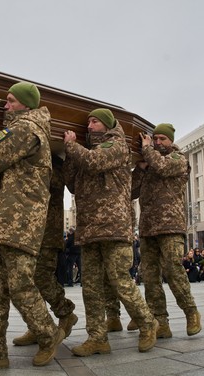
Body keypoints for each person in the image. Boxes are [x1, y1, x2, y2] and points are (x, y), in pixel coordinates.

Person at [0, 81, 64, 372]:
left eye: (10, 101)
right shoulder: (13, 129)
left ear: (26, 105)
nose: (5, 106)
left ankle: (49, 333)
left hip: (18, 222)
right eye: (5, 101)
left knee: (20, 285)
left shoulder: (26, 128)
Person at [63, 107, 158, 357]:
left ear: (107, 124)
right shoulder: (85, 151)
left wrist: (72, 147)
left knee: (120, 280)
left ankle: (148, 323)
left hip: (113, 227)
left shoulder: (116, 145)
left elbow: (95, 163)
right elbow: (72, 184)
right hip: (89, 227)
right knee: (91, 287)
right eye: (88, 121)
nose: (90, 125)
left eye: (95, 121)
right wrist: (71, 157)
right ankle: (97, 337)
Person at [130, 123, 201, 338]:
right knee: (150, 277)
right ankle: (161, 321)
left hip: (170, 226)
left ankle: (191, 312)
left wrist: (147, 150)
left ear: (170, 140)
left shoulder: (178, 159)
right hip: (148, 227)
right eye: (155, 139)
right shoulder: (149, 161)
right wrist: (140, 170)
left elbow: (162, 167)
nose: (158, 142)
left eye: (162, 139)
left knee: (173, 269)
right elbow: (132, 192)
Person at [12, 155, 78, 347]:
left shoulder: (54, 162)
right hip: (27, 231)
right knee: (28, 280)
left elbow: (53, 182)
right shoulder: (27, 158)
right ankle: (36, 326)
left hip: (47, 232)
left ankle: (66, 313)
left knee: (42, 277)